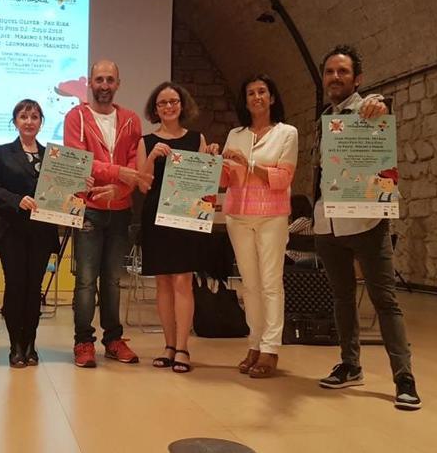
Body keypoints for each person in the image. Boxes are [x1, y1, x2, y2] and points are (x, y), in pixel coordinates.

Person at [312, 45, 421, 410]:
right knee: (342, 298)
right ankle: (350, 364)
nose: (335, 77)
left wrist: (380, 105)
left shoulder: (368, 109)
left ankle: (403, 377)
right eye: (329, 72)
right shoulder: (325, 118)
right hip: (327, 221)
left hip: (367, 219)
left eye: (343, 72)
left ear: (356, 78)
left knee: (384, 300)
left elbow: (381, 106)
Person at [63, 60, 151, 368]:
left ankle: (113, 339)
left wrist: (120, 190)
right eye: (99, 79)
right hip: (88, 208)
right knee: (86, 280)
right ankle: (83, 342)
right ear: (90, 82)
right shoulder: (76, 117)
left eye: (110, 79)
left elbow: (136, 168)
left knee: (113, 279)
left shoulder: (130, 119)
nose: (104, 85)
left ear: (118, 83)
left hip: (121, 210)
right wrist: (118, 175)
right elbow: (79, 160)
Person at [220, 74, 298, 378]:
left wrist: (248, 164)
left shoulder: (286, 133)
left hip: (271, 216)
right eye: (251, 92)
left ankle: (271, 348)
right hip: (238, 216)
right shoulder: (235, 134)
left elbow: (282, 178)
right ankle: (254, 342)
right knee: (249, 286)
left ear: (273, 97)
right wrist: (216, 162)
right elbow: (226, 180)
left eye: (262, 91)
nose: (256, 97)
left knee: (270, 283)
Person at [135, 81, 213, 373]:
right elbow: (142, 185)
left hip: (187, 217)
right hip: (156, 215)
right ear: (155, 109)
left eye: (173, 101)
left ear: (182, 104)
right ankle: (168, 345)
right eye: (162, 103)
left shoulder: (197, 138)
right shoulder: (145, 142)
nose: (168, 106)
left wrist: (210, 157)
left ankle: (183, 347)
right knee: (163, 282)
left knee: (183, 280)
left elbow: (205, 181)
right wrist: (153, 157)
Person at [0, 99, 60, 368]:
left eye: (35, 116)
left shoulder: (53, 156)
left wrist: (78, 184)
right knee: (16, 286)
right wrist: (16, 199)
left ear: (41, 122)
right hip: (11, 229)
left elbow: (61, 191)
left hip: (42, 230)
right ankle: (15, 344)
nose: (29, 121)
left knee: (34, 288)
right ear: (15, 121)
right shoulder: (2, 152)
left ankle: (30, 342)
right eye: (23, 116)